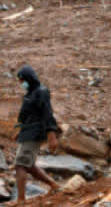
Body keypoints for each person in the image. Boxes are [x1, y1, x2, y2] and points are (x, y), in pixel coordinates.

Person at [14, 66, 60, 202]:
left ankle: (21, 200)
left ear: (29, 78)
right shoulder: (30, 93)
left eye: (22, 80)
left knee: (20, 165)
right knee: (29, 165)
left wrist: (52, 135)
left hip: (35, 132)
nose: (21, 82)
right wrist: (20, 132)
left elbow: (47, 114)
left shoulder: (41, 92)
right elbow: (29, 116)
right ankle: (54, 184)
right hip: (28, 132)